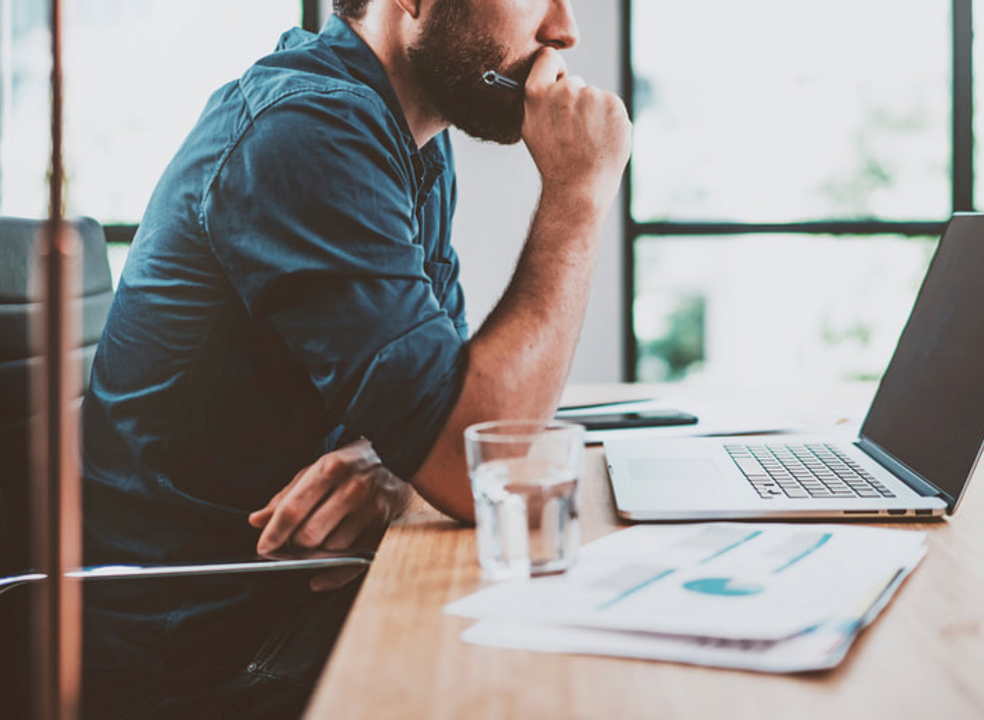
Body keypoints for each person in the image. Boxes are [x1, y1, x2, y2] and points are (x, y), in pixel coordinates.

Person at [79, 0, 630, 717]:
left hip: (284, 605)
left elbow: (447, 402)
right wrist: (578, 193)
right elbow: (482, 465)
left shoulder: (409, 142)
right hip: (198, 659)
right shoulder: (308, 132)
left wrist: (391, 464)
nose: (565, 30)